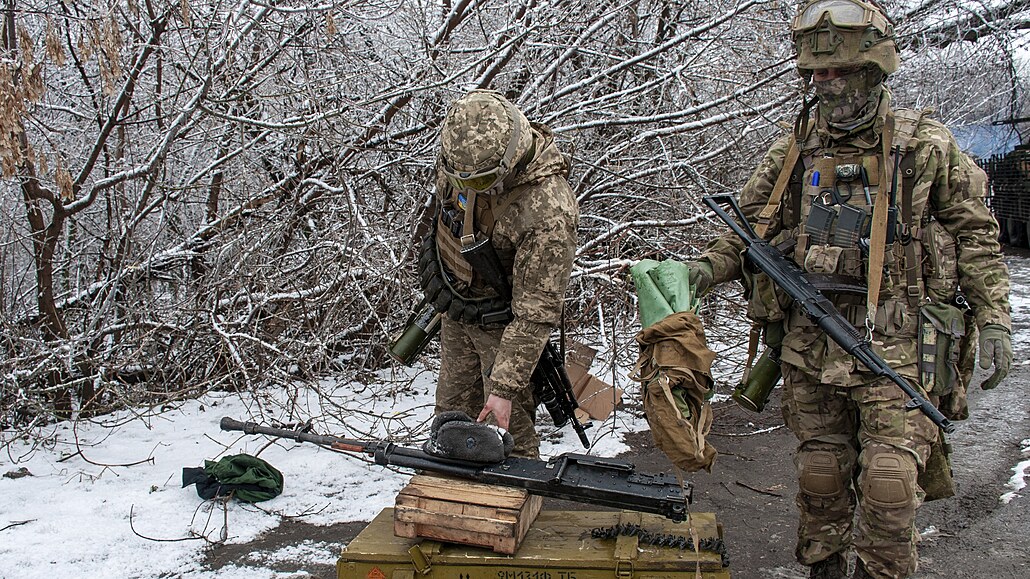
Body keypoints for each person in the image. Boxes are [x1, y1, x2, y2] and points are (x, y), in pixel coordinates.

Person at [682, 1, 1012, 577]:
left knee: (888, 485)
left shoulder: (923, 146)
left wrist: (995, 319)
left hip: (899, 347)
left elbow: (977, 235)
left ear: (873, 70)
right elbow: (749, 225)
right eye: (815, 75)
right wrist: (705, 272)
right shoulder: (797, 146)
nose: (825, 86)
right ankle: (825, 568)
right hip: (812, 344)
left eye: (838, 73)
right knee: (821, 477)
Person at [418, 90, 578, 458]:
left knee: (508, 433)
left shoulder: (547, 211)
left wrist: (505, 387)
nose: (463, 188)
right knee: (451, 418)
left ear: (508, 161)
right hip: (458, 309)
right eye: (457, 178)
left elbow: (535, 313)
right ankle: (453, 499)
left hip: (506, 330)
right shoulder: (464, 157)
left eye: (477, 183)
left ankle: (511, 506)